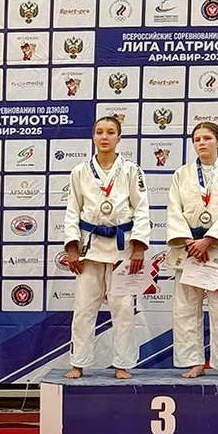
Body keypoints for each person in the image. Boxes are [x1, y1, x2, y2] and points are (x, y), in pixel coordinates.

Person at [62, 116, 151, 379]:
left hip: (122, 249)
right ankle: (78, 362)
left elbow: (142, 209)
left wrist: (139, 246)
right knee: (84, 308)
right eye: (99, 132)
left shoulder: (132, 170)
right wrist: (72, 247)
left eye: (110, 132)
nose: (104, 136)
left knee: (122, 308)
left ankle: (122, 363)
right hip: (89, 248)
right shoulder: (80, 171)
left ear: (119, 138)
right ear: (93, 137)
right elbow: (72, 211)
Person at [167, 122, 218, 379]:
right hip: (188, 249)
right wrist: (189, 241)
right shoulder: (182, 173)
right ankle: (194, 362)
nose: (201, 143)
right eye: (197, 139)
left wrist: (209, 240)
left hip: (216, 249)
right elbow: (174, 209)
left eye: (207, 138)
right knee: (186, 308)